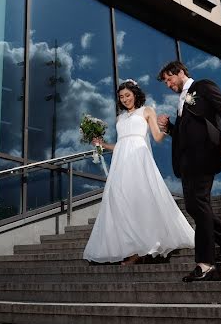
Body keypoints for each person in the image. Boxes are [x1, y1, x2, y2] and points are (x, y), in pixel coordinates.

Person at [157, 60, 221, 282]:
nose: (169, 85)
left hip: (204, 157)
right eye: (166, 83)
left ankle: (206, 263)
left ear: (180, 72)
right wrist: (170, 128)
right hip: (187, 161)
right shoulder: (181, 101)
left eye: (170, 79)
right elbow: (186, 132)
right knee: (195, 206)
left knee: (198, 204)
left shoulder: (203, 86)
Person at [83, 80, 195, 265]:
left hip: (139, 158)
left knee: (140, 199)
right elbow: (120, 144)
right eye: (121, 97)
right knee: (121, 202)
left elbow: (157, 137)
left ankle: (142, 248)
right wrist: (102, 144)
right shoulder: (120, 118)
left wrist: (167, 127)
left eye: (128, 95)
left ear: (135, 94)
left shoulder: (147, 110)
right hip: (121, 162)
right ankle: (130, 247)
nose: (125, 99)